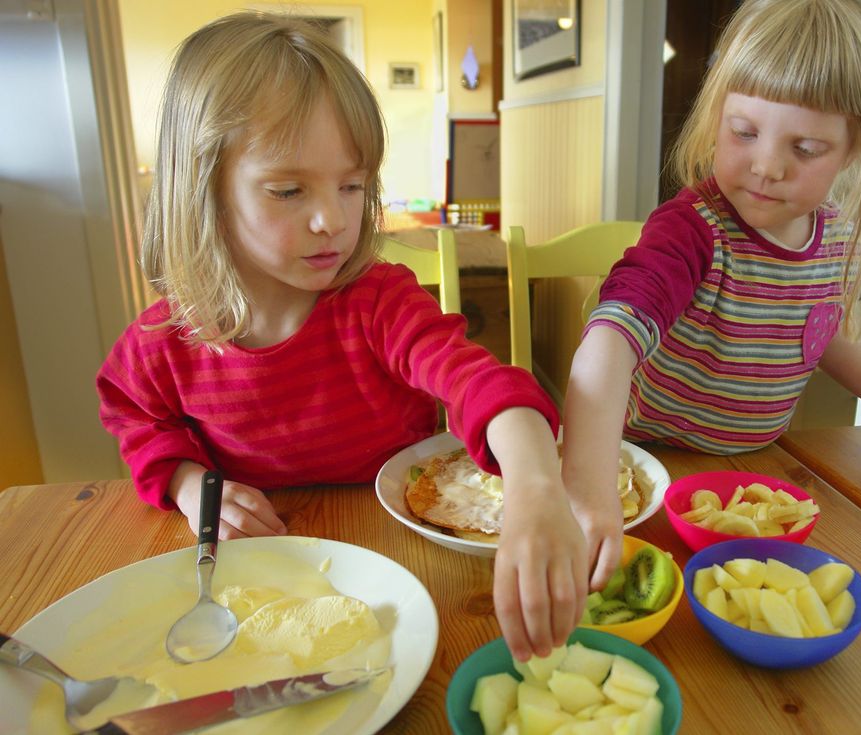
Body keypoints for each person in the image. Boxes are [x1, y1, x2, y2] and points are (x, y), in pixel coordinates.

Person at [96, 12, 586, 662]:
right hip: (262, 577)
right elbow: (135, 416)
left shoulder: (379, 302)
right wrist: (190, 484)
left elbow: (477, 379)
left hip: (404, 559)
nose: (331, 218)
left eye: (351, 185)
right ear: (205, 191)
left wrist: (534, 483)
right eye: (289, 189)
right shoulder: (164, 339)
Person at [561, 0, 861, 589]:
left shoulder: (834, 236)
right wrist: (589, 485)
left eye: (805, 148)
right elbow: (611, 338)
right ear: (717, 117)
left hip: (750, 476)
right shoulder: (694, 227)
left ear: (851, 151)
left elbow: (822, 333)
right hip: (639, 466)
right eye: (744, 132)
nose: (766, 165)